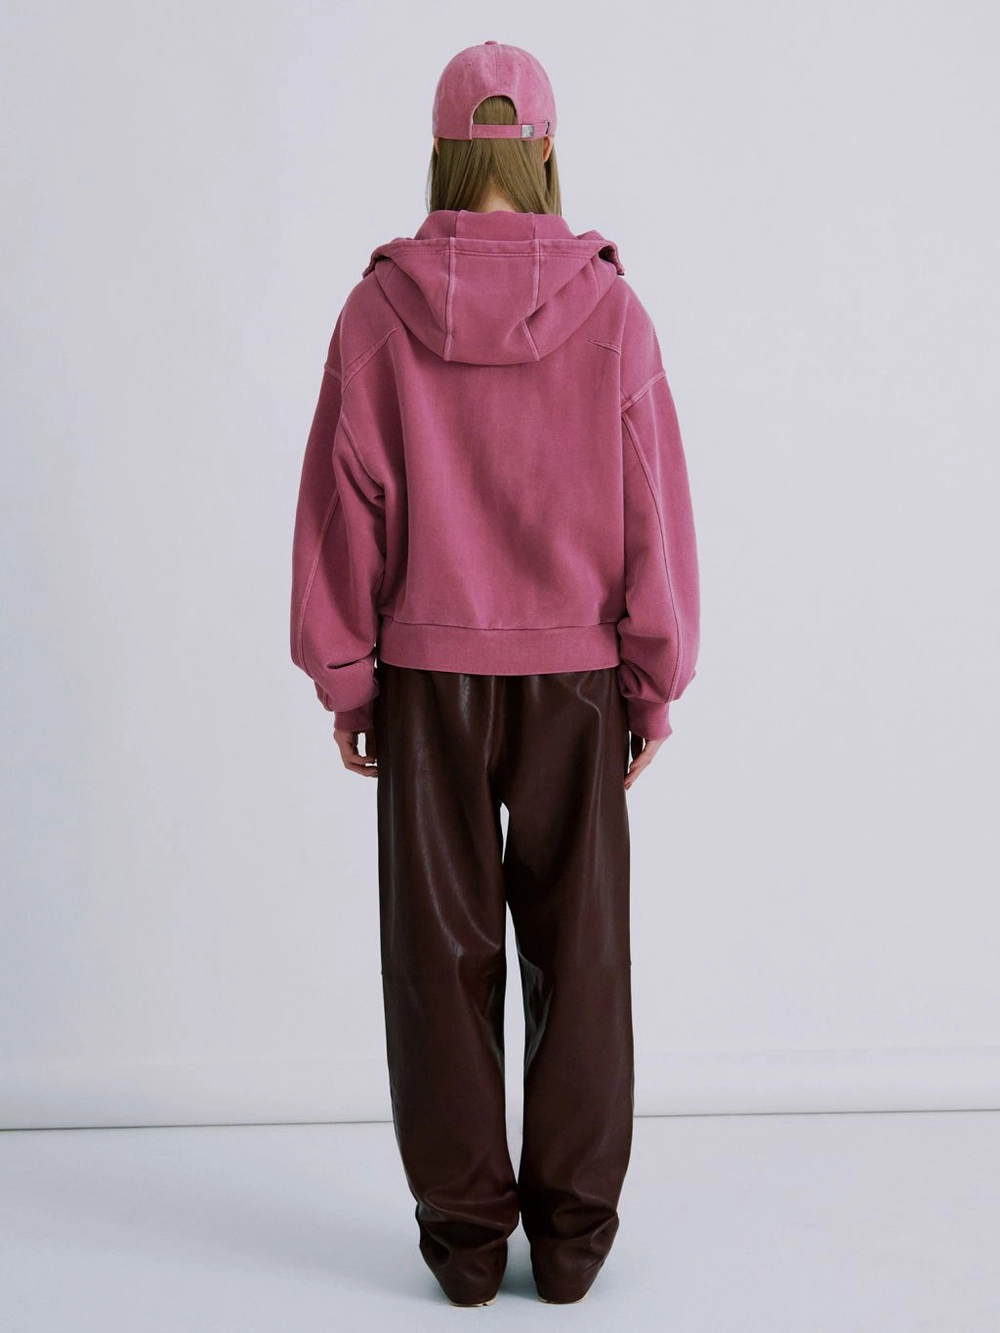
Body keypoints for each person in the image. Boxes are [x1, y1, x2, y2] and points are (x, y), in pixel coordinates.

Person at [289, 39, 701, 1308]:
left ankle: (465, 1246)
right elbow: (653, 511)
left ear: (441, 151)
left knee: (438, 962)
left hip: (427, 678)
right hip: (576, 679)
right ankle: (572, 1244)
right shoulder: (613, 314)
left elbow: (341, 509)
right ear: (546, 150)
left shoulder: (377, 313)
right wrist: (653, 678)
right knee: (583, 959)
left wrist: (349, 679)